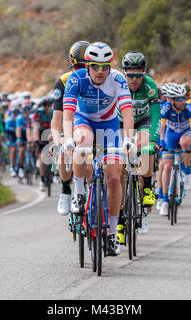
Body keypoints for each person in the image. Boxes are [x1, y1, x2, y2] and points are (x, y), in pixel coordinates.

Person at [62, 42, 136, 256]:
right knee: (82, 141)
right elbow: (68, 114)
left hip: (109, 125)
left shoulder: (118, 79)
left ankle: (112, 233)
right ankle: (78, 193)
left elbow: (127, 111)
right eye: (95, 66)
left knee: (114, 175)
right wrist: (68, 138)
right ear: (87, 66)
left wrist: (129, 139)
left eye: (105, 66)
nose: (100, 71)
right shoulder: (76, 79)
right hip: (83, 120)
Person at [116, 51, 160, 238]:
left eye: (138, 75)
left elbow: (156, 115)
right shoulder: (117, 83)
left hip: (144, 121)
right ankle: (117, 220)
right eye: (130, 75)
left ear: (144, 73)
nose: (134, 79)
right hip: (119, 123)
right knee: (117, 170)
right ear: (124, 73)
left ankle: (148, 187)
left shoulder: (150, 86)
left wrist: (153, 141)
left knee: (144, 144)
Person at [51, 40, 90, 216]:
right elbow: (57, 118)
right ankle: (66, 190)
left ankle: (94, 198)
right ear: (71, 66)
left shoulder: (99, 79)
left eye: (86, 66)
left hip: (91, 124)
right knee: (65, 152)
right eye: (78, 66)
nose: (82, 70)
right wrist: (58, 139)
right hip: (71, 125)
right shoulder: (64, 81)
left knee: (90, 166)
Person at [159, 83, 191, 216]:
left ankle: (187, 172)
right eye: (180, 99)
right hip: (170, 134)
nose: (184, 101)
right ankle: (165, 201)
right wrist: (162, 141)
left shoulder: (190, 108)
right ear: (171, 100)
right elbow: (162, 128)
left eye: (185, 98)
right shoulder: (165, 108)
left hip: (185, 132)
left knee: (185, 142)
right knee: (167, 167)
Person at [32, 97, 53, 191]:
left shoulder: (53, 112)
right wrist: (36, 138)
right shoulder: (38, 112)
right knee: (42, 157)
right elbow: (35, 126)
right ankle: (42, 179)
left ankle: (54, 171)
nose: (47, 108)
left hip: (51, 132)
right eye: (45, 106)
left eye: (48, 106)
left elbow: (56, 125)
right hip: (41, 133)